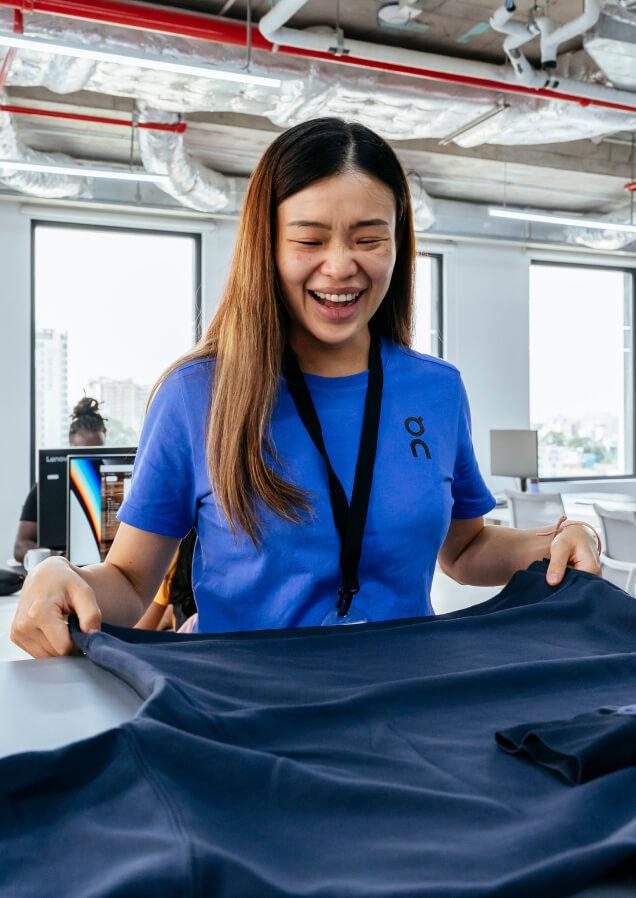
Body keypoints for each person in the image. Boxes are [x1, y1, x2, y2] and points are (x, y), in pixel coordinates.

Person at [11, 117, 601, 659]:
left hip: (405, 697)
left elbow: (466, 551)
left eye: (369, 238)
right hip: (248, 712)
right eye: (310, 240)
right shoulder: (199, 395)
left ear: (399, 244)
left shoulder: (437, 391)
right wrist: (58, 574)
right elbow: (133, 582)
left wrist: (552, 541)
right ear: (266, 246)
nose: (341, 266)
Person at [12, 397, 107, 564]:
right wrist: (60, 557)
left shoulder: (117, 487)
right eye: (81, 454)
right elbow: (20, 546)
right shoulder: (45, 488)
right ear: (70, 448)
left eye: (96, 452)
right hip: (59, 567)